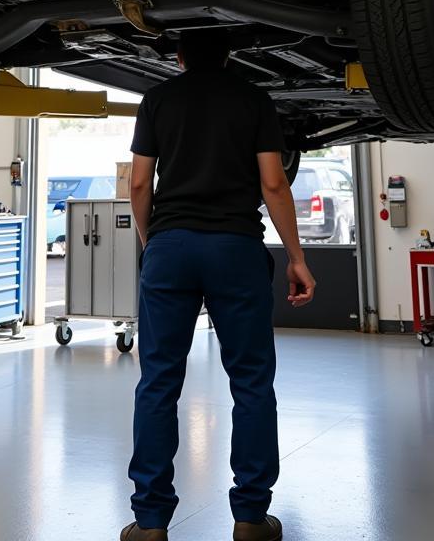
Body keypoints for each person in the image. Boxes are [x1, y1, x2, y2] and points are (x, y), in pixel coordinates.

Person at [121, 28, 317, 541]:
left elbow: (140, 182)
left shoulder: (157, 100)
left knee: (158, 381)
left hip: (170, 249)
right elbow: (273, 183)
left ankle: (150, 522)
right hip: (235, 247)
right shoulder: (254, 100)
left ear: (180, 55)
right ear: (230, 54)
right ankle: (251, 517)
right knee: (251, 381)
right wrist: (296, 257)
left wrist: (153, 240)